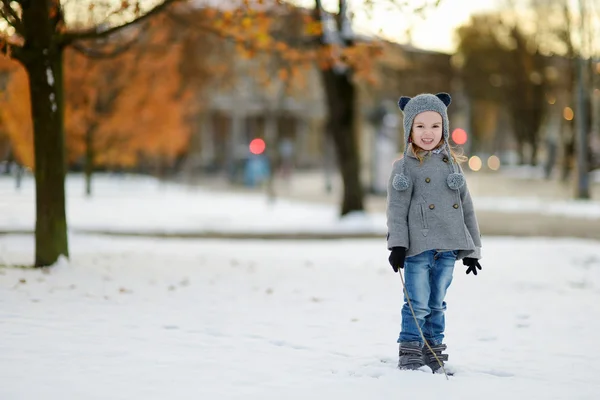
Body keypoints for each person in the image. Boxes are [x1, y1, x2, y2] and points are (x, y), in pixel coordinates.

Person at [386, 93, 483, 373]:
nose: (428, 133)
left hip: (448, 247)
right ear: (409, 130)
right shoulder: (404, 168)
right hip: (418, 248)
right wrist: (398, 246)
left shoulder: (452, 166)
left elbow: (466, 209)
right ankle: (410, 350)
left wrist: (471, 250)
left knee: (437, 303)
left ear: (445, 129)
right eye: (420, 126)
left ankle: (433, 348)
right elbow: (396, 210)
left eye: (435, 126)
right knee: (417, 303)